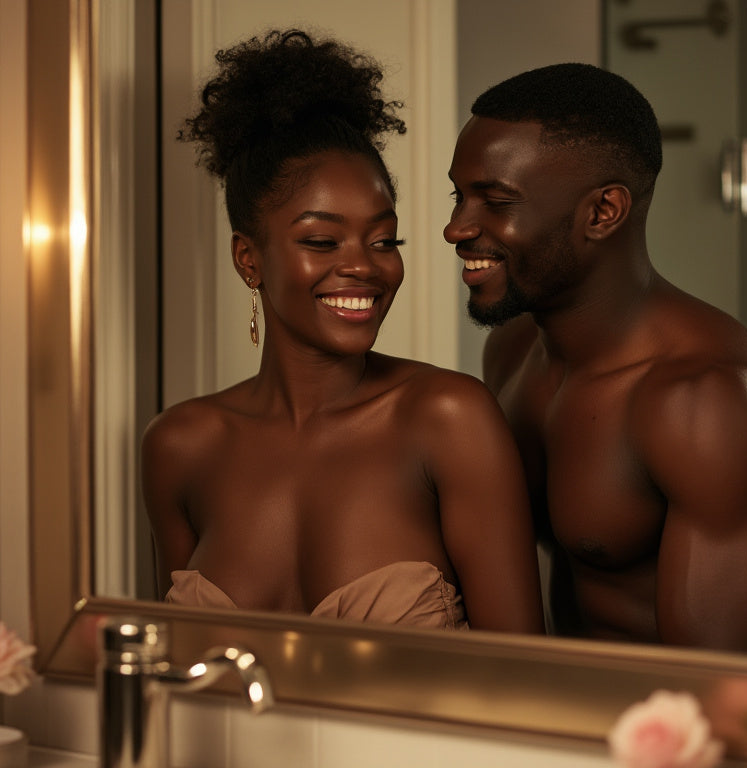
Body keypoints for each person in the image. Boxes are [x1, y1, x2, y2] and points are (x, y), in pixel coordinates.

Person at [141, 30, 544, 634]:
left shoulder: (448, 419)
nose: (365, 265)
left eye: (384, 240)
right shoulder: (179, 447)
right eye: (322, 241)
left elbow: (525, 678)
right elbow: (174, 685)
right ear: (248, 259)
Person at [444, 62, 747, 654]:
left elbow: (722, 697)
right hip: (559, 727)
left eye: (495, 201)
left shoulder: (709, 403)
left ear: (602, 212)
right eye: (459, 196)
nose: (455, 228)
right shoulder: (511, 351)